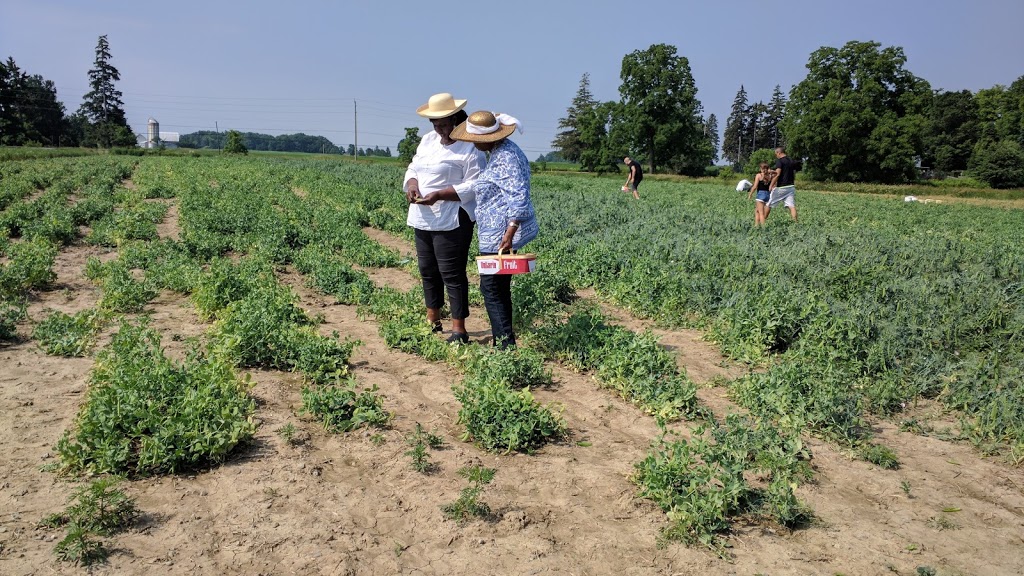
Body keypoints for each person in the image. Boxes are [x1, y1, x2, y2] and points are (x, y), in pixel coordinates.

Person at [450, 110, 538, 349]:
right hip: (495, 233)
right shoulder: (502, 151)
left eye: (474, 139)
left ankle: (505, 345)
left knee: (491, 288)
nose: (472, 143)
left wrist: (510, 233)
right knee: (497, 288)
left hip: (500, 236)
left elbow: (519, 195)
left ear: (486, 138)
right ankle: (505, 341)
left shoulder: (506, 157)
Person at [403, 93, 486, 344]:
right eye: (435, 124)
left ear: (456, 121)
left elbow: (476, 184)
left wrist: (440, 194)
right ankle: (433, 320)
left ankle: (459, 329)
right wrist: (413, 185)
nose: (439, 130)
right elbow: (414, 167)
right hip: (423, 216)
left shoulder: (470, 147)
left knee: (451, 273)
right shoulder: (428, 140)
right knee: (428, 270)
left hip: (453, 217)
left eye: (443, 124)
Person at [766, 146, 798, 222]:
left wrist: (771, 185)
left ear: (779, 153)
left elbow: (778, 174)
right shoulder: (791, 161)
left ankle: (762, 221)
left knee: (768, 203)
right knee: (791, 206)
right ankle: (796, 222)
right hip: (791, 186)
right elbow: (789, 172)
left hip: (782, 187)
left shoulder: (780, 161)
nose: (776, 156)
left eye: (776, 154)